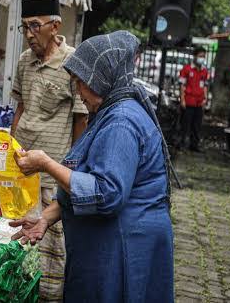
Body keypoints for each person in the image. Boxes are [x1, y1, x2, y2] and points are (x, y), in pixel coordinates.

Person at [11, 30, 174, 303]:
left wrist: (47, 164)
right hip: (112, 242)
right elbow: (85, 176)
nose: (77, 91)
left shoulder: (121, 122)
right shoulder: (107, 113)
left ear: (99, 81)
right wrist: (46, 219)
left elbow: (105, 193)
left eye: (79, 82)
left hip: (124, 246)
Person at [10, 0, 88, 302]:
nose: (29, 34)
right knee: (21, 238)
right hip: (22, 170)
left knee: (52, 251)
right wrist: (11, 148)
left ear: (55, 26)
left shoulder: (72, 63)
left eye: (35, 26)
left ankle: (49, 298)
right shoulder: (22, 60)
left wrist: (71, 167)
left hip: (53, 173)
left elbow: (81, 119)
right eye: (24, 27)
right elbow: (20, 106)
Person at [178, 47, 209, 152]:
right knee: (185, 124)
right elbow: (182, 85)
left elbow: (205, 86)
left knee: (197, 125)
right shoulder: (186, 69)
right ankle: (182, 143)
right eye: (200, 56)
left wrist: (205, 98)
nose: (202, 58)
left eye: (203, 56)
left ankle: (194, 145)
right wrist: (182, 99)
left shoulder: (204, 71)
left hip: (199, 102)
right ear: (195, 56)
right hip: (188, 101)